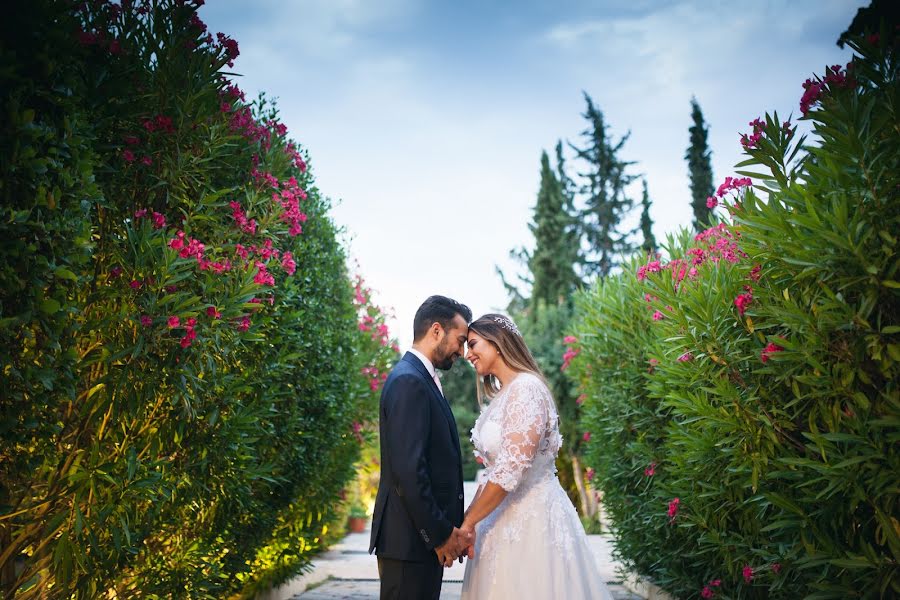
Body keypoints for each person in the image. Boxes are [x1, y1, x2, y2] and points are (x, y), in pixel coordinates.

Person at [459, 314, 613, 599]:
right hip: (498, 523)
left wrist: (468, 525)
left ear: (497, 342)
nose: (468, 354)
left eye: (473, 344)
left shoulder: (527, 389)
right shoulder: (503, 396)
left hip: (533, 526)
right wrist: (470, 520)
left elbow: (511, 469)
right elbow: (493, 471)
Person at [369, 295, 475, 600]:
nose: (462, 350)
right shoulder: (409, 382)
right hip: (409, 542)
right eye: (461, 339)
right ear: (437, 331)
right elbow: (409, 471)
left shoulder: (419, 379)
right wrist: (440, 535)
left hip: (416, 542)